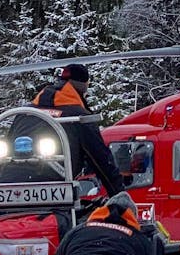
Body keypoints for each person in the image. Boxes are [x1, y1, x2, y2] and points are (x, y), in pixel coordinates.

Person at [34, 63, 126, 197]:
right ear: (84, 86)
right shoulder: (80, 118)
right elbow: (101, 160)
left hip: (10, 190)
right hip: (57, 194)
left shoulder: (27, 113)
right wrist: (120, 194)